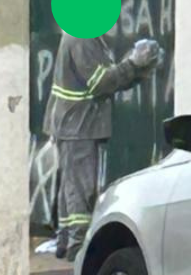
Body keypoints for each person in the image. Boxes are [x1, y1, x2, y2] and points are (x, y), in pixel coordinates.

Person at [41, 33, 162, 261]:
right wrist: (134, 63)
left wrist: (140, 69)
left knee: (73, 184)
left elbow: (110, 80)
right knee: (81, 187)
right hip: (79, 124)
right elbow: (100, 83)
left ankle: (66, 240)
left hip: (76, 123)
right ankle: (78, 247)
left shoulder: (85, 34)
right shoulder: (82, 37)